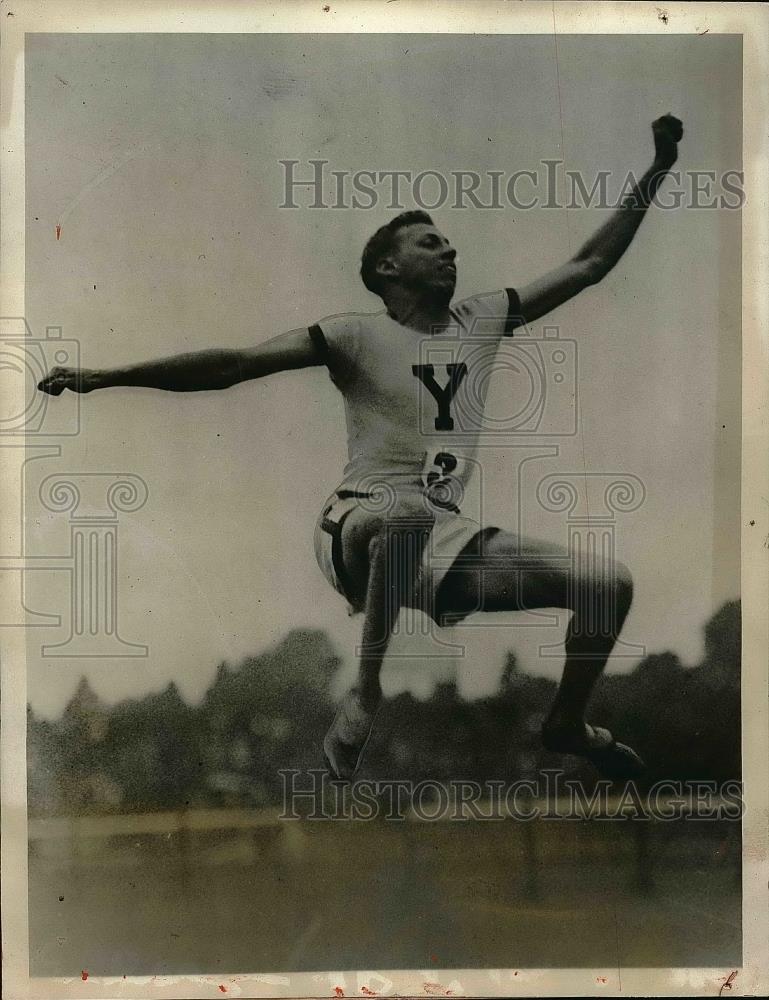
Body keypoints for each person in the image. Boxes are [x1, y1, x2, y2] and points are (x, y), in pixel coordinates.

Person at [38, 114, 684, 782]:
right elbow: (233, 364)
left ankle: (567, 723)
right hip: (355, 525)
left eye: (450, 244)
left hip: (438, 539)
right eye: (430, 243)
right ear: (387, 267)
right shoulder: (352, 335)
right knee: (404, 513)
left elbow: (589, 265)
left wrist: (658, 167)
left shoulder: (483, 318)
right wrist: (106, 376)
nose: (450, 251)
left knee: (607, 585)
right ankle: (364, 692)